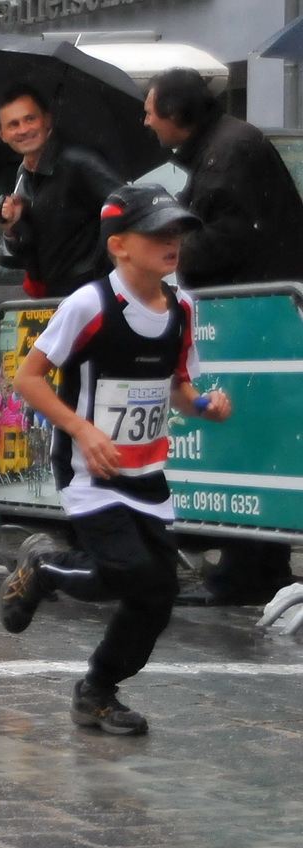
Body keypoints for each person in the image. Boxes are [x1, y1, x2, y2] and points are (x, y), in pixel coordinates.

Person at [0, 185, 230, 735]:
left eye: (177, 233)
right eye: (159, 234)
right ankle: (43, 569)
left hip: (147, 474)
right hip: (91, 471)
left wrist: (202, 405)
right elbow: (28, 380)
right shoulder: (90, 305)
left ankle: (98, 691)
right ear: (120, 245)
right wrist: (82, 429)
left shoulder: (181, 307)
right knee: (129, 571)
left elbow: (173, 383)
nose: (172, 244)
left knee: (158, 594)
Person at [146, 67, 303, 607]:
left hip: (258, 320)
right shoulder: (221, 148)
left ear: (176, 117)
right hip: (251, 317)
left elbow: (231, 238)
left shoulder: (229, 153)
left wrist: (170, 259)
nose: (146, 121)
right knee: (244, 444)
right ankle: (246, 564)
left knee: (254, 441)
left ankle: (250, 571)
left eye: (151, 111)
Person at [0, 85, 121, 299]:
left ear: (48, 120)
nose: (23, 129)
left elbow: (128, 207)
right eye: (13, 124)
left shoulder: (78, 162)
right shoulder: (23, 175)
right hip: (55, 299)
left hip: (93, 295)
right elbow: (25, 255)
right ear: (3, 134)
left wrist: (100, 267)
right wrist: (10, 228)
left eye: (30, 119)